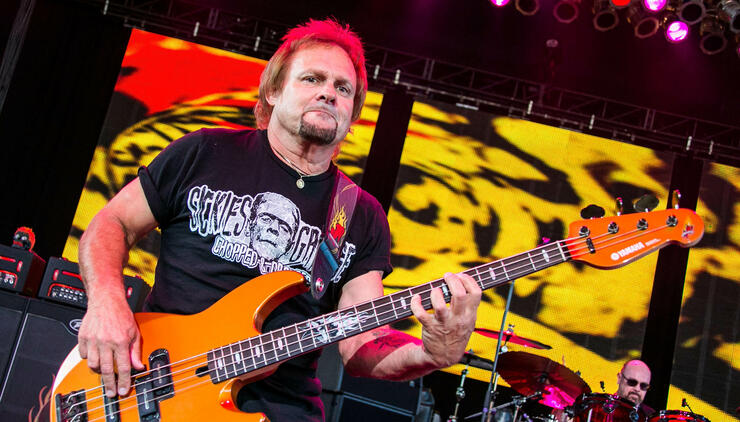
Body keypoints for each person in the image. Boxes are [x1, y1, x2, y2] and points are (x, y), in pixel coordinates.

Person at [76, 18, 481, 421]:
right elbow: (113, 224)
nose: (328, 93)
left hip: (280, 409)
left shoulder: (360, 214)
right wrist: (107, 302)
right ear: (273, 90)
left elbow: (362, 346)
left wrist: (431, 353)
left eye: (343, 89)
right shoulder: (204, 152)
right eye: (312, 79)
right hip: (154, 386)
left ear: (353, 114)